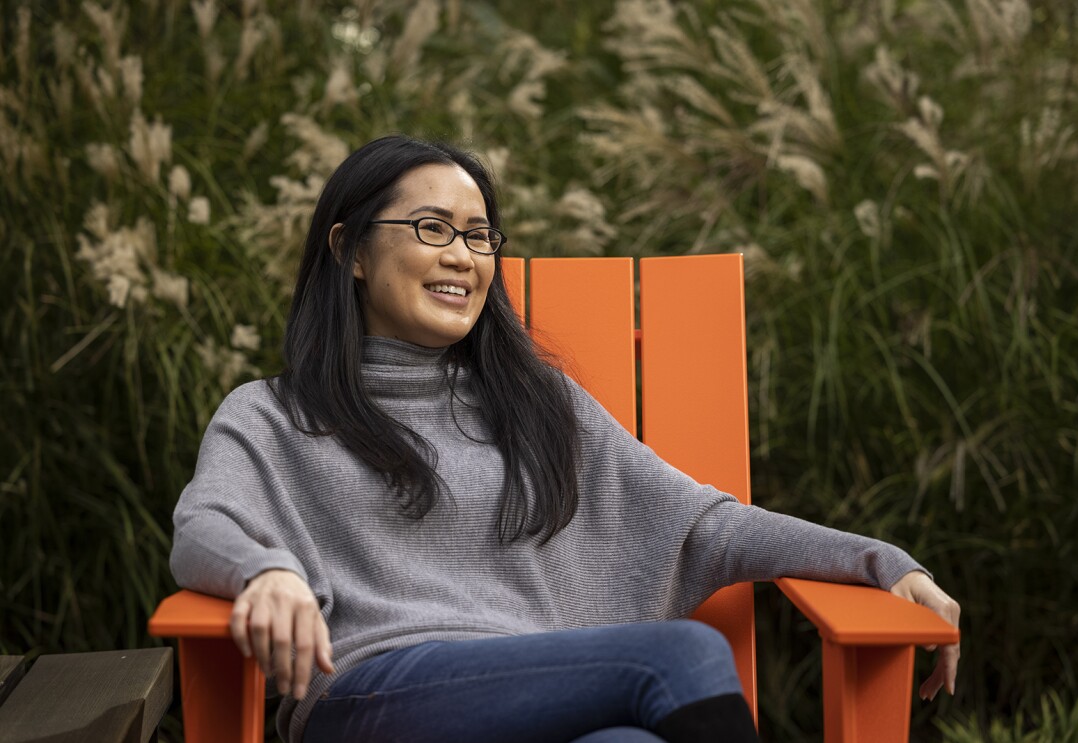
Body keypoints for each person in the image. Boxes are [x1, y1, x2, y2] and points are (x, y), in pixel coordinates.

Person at [170, 134, 960, 743]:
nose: (462, 255)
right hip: (372, 693)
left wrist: (878, 560)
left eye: (481, 236)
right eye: (431, 227)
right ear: (348, 250)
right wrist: (265, 570)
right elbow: (205, 525)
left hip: (535, 696)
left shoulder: (535, 404)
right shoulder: (273, 413)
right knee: (682, 656)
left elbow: (705, 526)